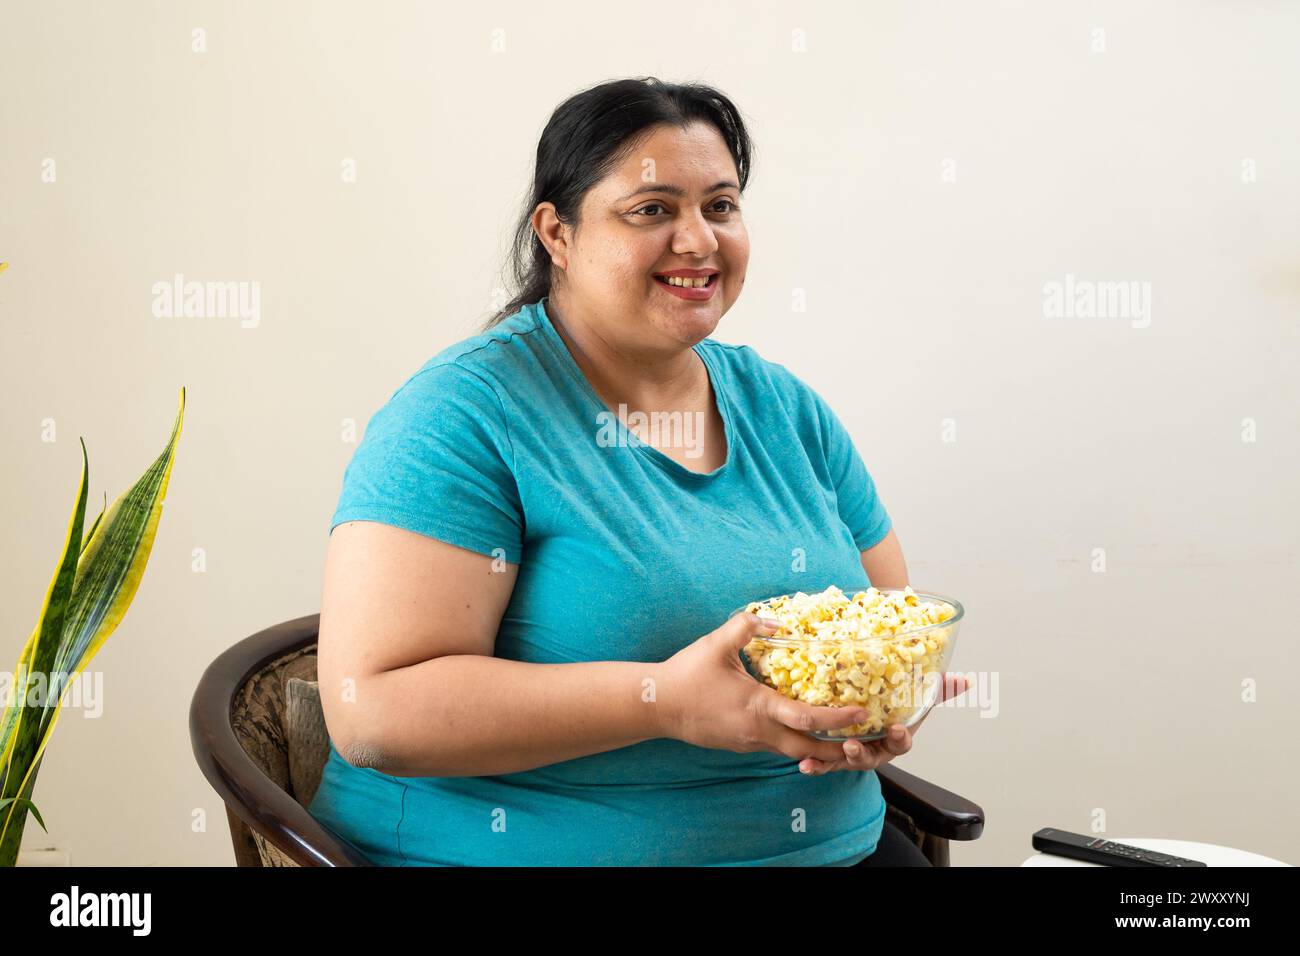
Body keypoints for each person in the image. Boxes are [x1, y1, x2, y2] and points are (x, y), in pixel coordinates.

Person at [307, 76, 962, 867]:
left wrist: (879, 710)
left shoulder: (786, 410)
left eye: (720, 206)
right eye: (652, 210)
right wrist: (662, 704)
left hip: (840, 851)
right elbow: (373, 713)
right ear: (557, 233)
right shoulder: (461, 417)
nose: (698, 241)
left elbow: (889, 624)